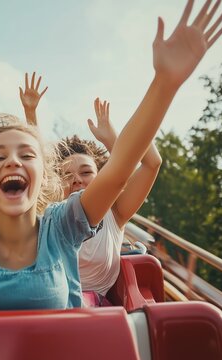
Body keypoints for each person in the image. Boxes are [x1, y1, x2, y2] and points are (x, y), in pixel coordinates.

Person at [0, 0, 222, 310]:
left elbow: (117, 172)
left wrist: (164, 84)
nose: (13, 162)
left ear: (44, 175)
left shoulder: (62, 225)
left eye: (26, 155)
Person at [57, 98, 161, 302]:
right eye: (67, 175)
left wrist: (114, 140)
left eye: (86, 172)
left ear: (102, 176)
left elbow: (152, 163)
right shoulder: (50, 214)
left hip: (97, 314)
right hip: (52, 306)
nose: (77, 179)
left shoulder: (116, 214)